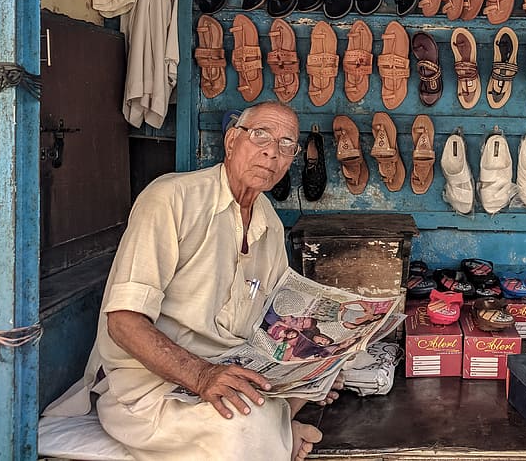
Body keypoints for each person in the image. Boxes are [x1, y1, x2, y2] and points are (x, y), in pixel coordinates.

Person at [43, 101, 328, 461]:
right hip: (153, 384)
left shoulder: (268, 221)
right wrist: (202, 375)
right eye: (260, 136)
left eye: (287, 145)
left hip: (228, 369)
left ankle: (281, 423)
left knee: (322, 375)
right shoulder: (171, 199)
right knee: (242, 425)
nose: (272, 152)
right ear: (230, 141)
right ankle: (281, 429)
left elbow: (270, 322)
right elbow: (123, 322)